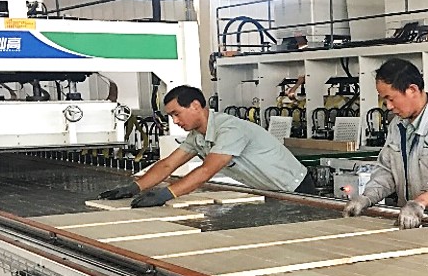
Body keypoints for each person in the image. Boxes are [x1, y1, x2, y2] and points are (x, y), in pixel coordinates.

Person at [99, 85, 316, 207]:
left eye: (176, 114)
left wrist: (165, 195)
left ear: (195, 106)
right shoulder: (198, 136)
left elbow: (206, 171)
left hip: (297, 189)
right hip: (270, 192)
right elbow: (168, 165)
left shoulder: (229, 129)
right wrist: (134, 188)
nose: (175, 121)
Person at [344, 59, 428, 228]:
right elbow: (387, 171)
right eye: (384, 100)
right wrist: (366, 198)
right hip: (414, 220)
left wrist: (418, 203)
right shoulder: (397, 125)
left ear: (412, 90)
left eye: (391, 98)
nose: (388, 106)